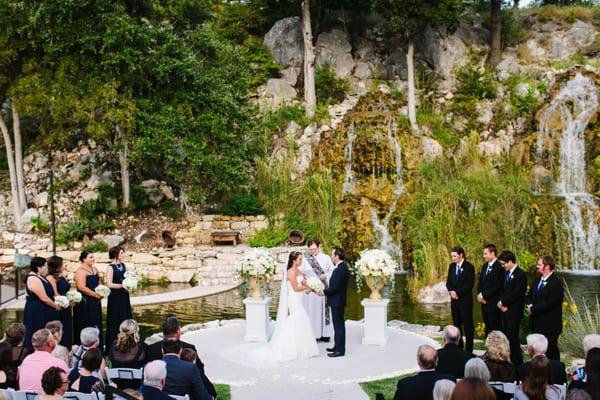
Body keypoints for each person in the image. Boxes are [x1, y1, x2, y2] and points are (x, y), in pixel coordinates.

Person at [145, 316, 216, 398]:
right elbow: (200, 372)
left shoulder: (150, 349)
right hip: (185, 393)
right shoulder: (188, 348)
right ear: (178, 332)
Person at [268, 251, 319, 361]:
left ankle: (300, 345)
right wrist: (307, 288)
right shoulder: (291, 272)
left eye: (301, 259)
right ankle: (289, 346)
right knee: (297, 317)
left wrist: (314, 288)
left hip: (300, 297)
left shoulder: (299, 270)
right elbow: (296, 288)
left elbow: (304, 283)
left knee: (300, 319)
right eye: (300, 259)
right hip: (294, 298)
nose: (301, 261)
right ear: (293, 260)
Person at [526, 255, 564, 361]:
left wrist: (533, 309)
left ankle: (555, 372)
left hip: (550, 326)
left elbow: (550, 303)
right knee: (537, 353)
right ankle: (539, 373)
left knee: (551, 352)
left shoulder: (556, 283)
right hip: (536, 323)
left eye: (539, 265)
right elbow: (529, 296)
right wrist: (529, 305)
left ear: (546, 267)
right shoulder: (537, 280)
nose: (537, 266)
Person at [300, 239, 334, 341]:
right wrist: (305, 280)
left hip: (322, 289)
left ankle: (325, 334)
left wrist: (326, 275)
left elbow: (332, 271)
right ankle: (314, 334)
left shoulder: (326, 258)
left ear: (319, 247)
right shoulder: (305, 259)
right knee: (312, 311)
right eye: (311, 249)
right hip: (311, 290)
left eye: (315, 249)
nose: (313, 251)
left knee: (323, 311)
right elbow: (301, 272)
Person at [23, 257, 61, 349]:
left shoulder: (40, 277)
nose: (46, 268)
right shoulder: (33, 278)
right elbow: (43, 298)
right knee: (37, 329)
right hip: (36, 311)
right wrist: (55, 306)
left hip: (43, 310)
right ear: (38, 267)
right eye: (44, 266)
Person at [497, 250, 527, 365]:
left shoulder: (521, 275)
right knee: (506, 336)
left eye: (504, 263)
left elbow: (517, 293)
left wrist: (503, 302)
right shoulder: (506, 273)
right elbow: (502, 290)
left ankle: (517, 362)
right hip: (504, 310)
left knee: (513, 338)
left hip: (514, 311)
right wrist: (501, 303)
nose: (502, 266)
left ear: (510, 262)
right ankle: (508, 360)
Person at [445, 246, 475, 352]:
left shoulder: (469, 267)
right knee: (457, 325)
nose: (453, 258)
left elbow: (469, 284)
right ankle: (459, 347)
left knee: (468, 326)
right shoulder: (452, 266)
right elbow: (448, 282)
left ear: (461, 255)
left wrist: (457, 293)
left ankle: (469, 350)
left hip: (465, 301)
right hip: (454, 302)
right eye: (452, 256)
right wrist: (451, 292)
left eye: (455, 256)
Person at [73, 251, 105, 349]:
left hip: (95, 302)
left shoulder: (95, 269)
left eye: (93, 257)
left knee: (96, 322)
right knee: (86, 322)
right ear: (84, 259)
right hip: (85, 302)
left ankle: (98, 348)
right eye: (90, 257)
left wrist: (102, 291)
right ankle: (84, 348)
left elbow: (99, 282)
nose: (93, 259)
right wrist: (95, 295)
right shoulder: (80, 271)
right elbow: (81, 287)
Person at [323, 247, 350, 358]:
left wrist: (323, 292)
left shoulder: (340, 269)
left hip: (337, 302)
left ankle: (340, 350)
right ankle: (337, 346)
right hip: (338, 301)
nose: (331, 256)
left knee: (339, 326)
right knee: (337, 325)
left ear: (337, 256)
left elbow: (335, 288)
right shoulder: (342, 267)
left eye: (332, 254)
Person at [106, 246, 133, 349]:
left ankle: (128, 341)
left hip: (124, 296)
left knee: (125, 316)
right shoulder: (110, 267)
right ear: (116, 254)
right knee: (116, 318)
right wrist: (123, 286)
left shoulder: (123, 265)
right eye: (121, 253)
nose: (123, 255)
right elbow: (109, 284)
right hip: (115, 297)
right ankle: (114, 344)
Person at [108, 319, 145, 389]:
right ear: (135, 332)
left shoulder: (113, 346)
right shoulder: (140, 347)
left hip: (117, 388)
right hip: (135, 388)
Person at [46, 255, 74, 348]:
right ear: (57, 266)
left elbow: (66, 289)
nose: (64, 266)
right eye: (62, 264)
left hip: (67, 306)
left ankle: (68, 349)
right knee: (61, 328)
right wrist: (66, 302)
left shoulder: (61, 275)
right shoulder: (50, 277)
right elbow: (55, 294)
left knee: (68, 328)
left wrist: (72, 298)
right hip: (60, 306)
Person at [477, 244, 503, 336]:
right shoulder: (484, 266)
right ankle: (489, 348)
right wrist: (479, 295)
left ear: (492, 253)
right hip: (484, 303)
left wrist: (483, 295)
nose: (484, 256)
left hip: (493, 302)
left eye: (485, 254)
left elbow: (497, 285)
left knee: (495, 327)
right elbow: (480, 282)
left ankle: (498, 349)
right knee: (487, 326)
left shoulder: (500, 266)